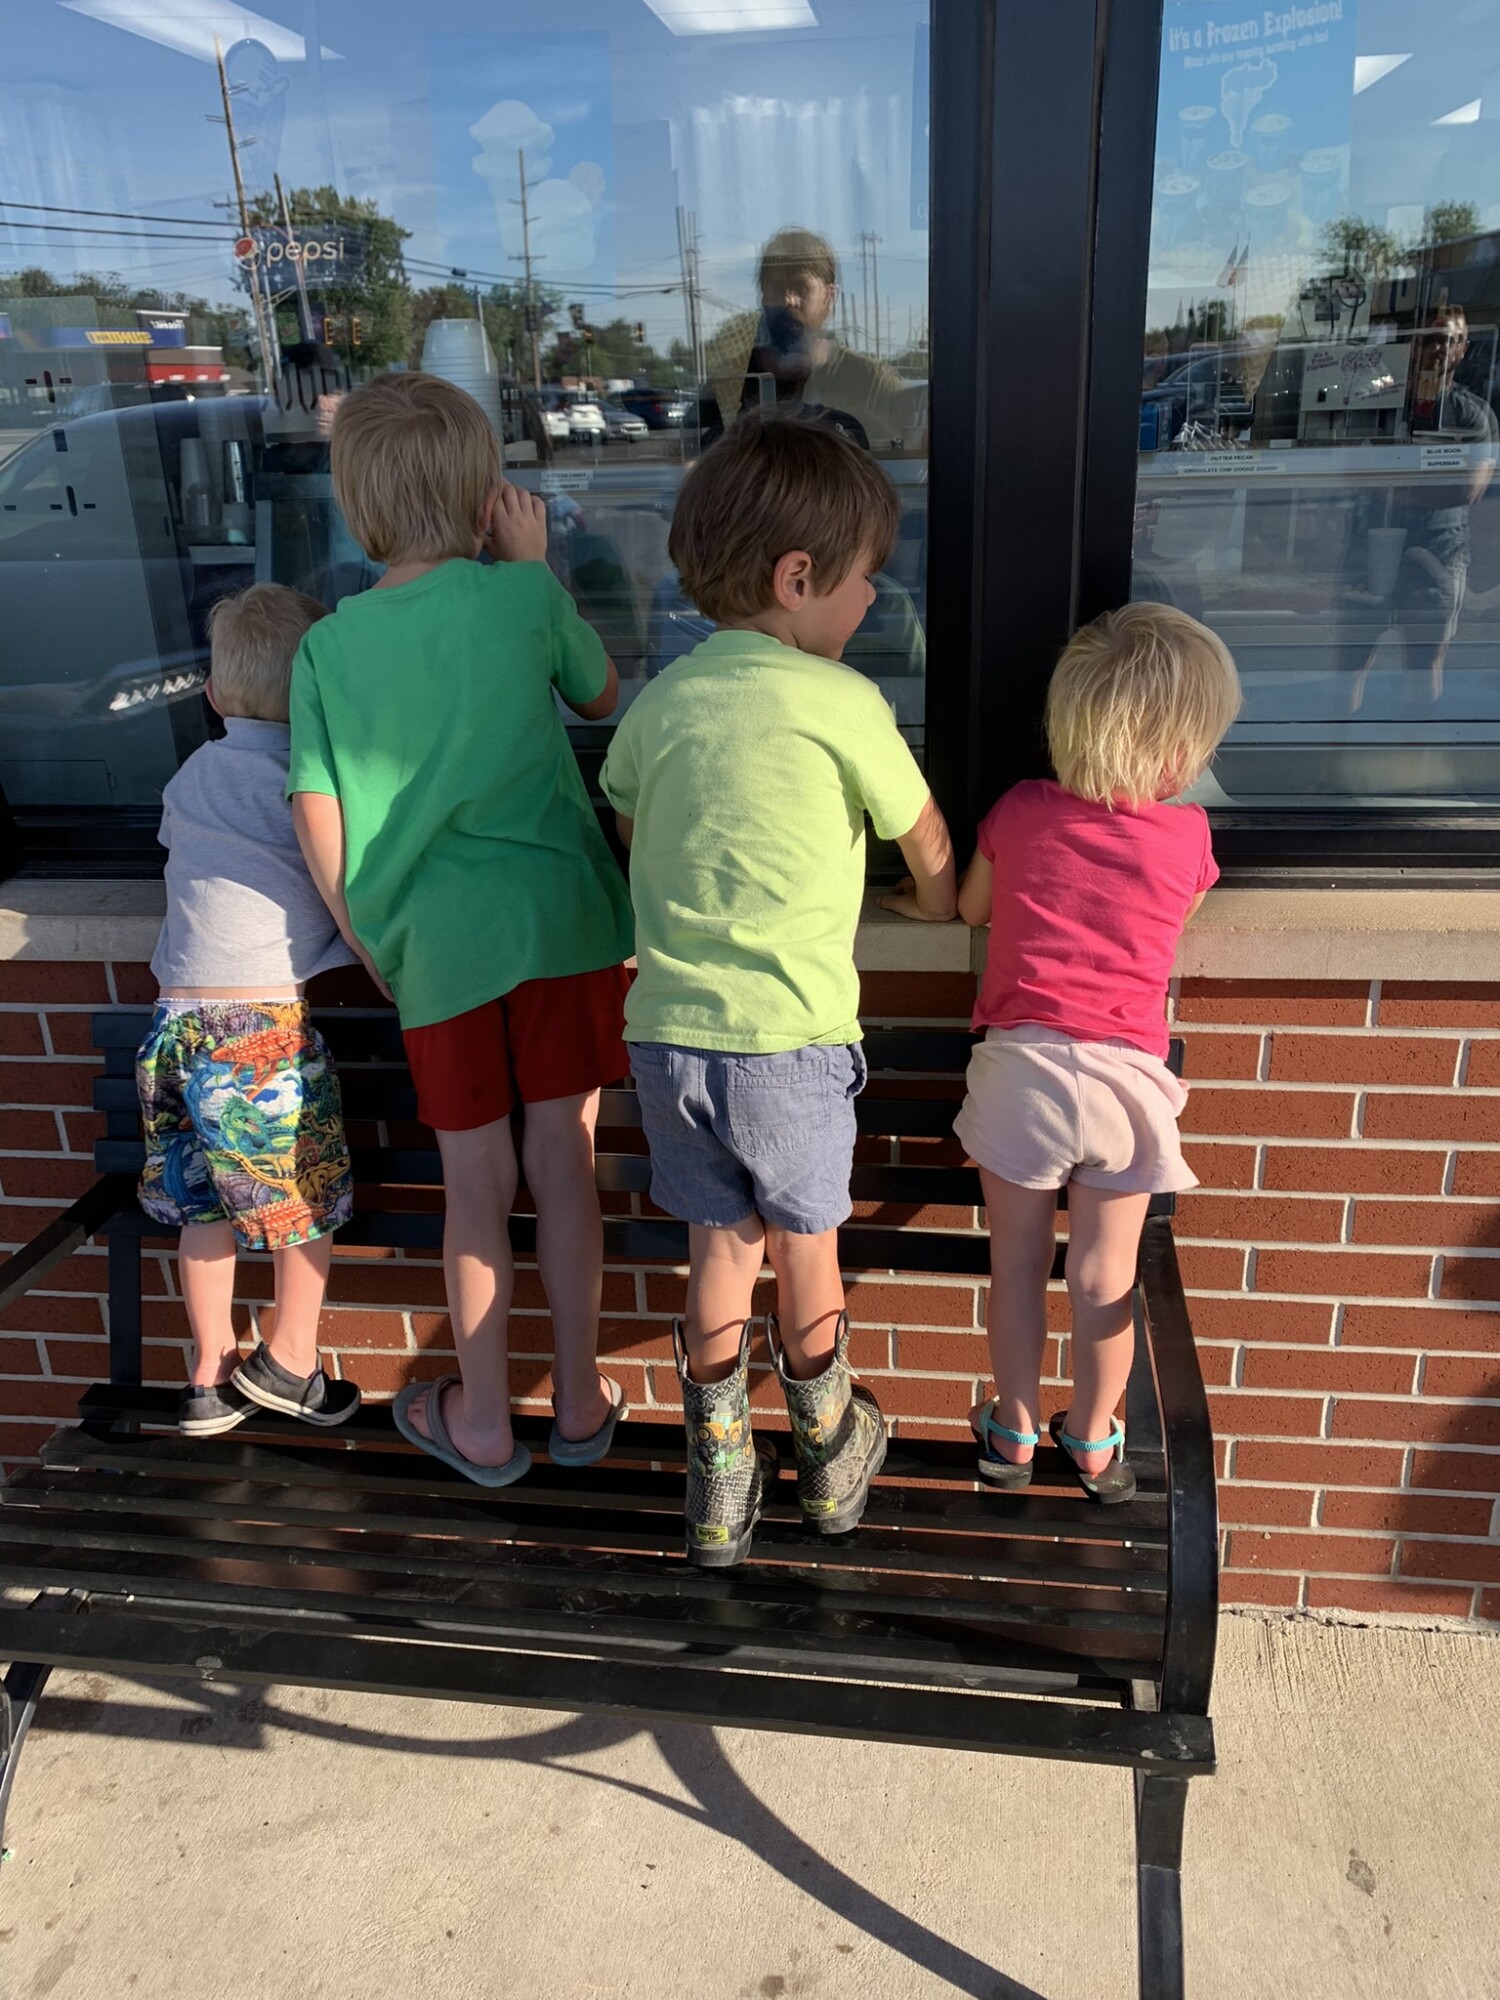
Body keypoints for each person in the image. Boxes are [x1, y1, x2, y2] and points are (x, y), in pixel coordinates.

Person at [600, 411, 956, 1567]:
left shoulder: (663, 703)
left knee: (717, 1248)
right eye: (862, 583)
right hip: (790, 1046)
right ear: (797, 578)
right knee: (805, 1247)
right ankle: (828, 1456)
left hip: (669, 1042)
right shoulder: (842, 703)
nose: (869, 605)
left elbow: (628, 814)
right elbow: (926, 839)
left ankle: (718, 1483)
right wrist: (935, 909)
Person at [288, 373, 634, 1487]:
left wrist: (370, 939)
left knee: (474, 1188)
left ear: (357, 506)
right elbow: (600, 692)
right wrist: (533, 573)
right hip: (562, 928)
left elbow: (319, 818)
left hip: (434, 952)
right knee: (565, 1168)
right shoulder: (520, 595)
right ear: (488, 496)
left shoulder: (325, 650)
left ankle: (483, 1419)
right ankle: (579, 1404)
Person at [950, 604, 1239, 1503]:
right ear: (1182, 747)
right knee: (1104, 1274)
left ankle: (1013, 1430)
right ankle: (1094, 1437)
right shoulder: (1188, 837)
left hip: (1020, 1076)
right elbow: (1178, 917)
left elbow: (971, 909)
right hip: (1125, 1083)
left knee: (1017, 1266)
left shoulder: (1021, 811)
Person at [136, 583, 363, 1437]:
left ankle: (206, 1373)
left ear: (215, 695)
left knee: (203, 1209)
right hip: (257, 1034)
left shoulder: (189, 777)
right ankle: (292, 1360)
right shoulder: (305, 785)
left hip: (172, 1032)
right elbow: (334, 886)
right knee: (308, 1205)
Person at [700, 226, 927, 456]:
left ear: (829, 297)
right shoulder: (730, 381)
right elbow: (688, 451)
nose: (789, 300)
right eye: (777, 287)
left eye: (801, 288)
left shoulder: (872, 384)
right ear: (763, 294)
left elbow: (905, 462)